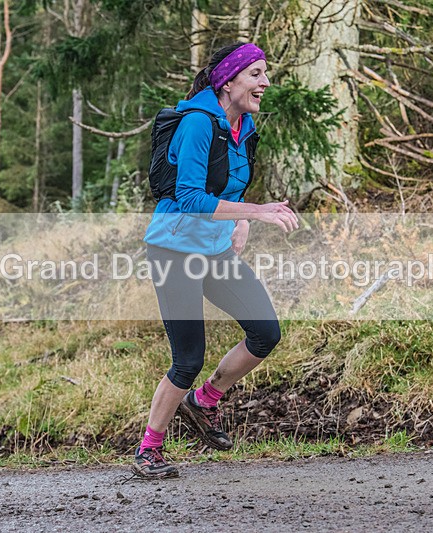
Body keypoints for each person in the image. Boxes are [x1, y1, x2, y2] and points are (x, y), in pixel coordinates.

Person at [133, 42, 299, 479]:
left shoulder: (242, 126)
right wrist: (257, 212)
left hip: (215, 250)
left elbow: (229, 186)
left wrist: (239, 220)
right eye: (257, 74)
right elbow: (188, 196)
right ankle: (149, 449)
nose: (266, 82)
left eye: (266, 74)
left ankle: (204, 401)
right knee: (187, 359)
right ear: (229, 81)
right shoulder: (197, 124)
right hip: (174, 250)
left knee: (265, 332)